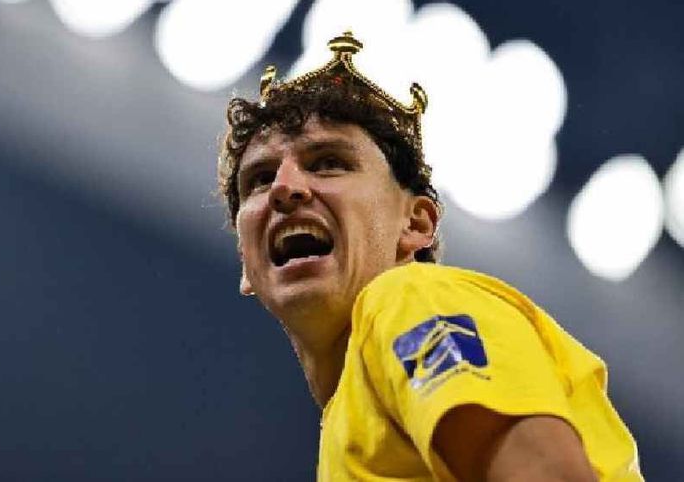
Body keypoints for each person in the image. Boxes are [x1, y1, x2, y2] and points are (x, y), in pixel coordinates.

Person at [216, 31, 642, 481]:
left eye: (328, 163)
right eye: (260, 179)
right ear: (246, 261)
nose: (284, 188)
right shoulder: (352, 417)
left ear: (415, 225)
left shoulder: (408, 298)